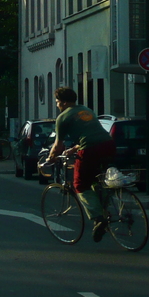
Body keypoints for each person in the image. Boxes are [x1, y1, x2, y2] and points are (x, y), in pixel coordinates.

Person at [45, 87, 116, 242]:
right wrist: (75, 148)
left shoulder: (63, 117)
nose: (57, 105)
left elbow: (57, 145)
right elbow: (92, 133)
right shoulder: (86, 110)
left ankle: (99, 218)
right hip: (109, 144)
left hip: (90, 150)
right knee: (96, 179)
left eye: (57, 102)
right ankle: (106, 205)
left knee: (80, 184)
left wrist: (50, 158)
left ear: (63, 102)